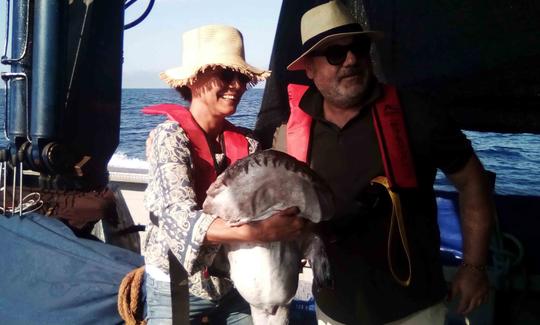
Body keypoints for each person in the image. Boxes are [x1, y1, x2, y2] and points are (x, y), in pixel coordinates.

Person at [270, 1, 495, 324]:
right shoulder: (289, 133)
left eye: (358, 48)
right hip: (333, 311)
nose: (350, 60)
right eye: (335, 53)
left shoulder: (418, 114)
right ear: (309, 68)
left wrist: (474, 267)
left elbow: (472, 182)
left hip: (414, 308)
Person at [142, 24, 308, 324]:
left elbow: (269, 206)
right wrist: (260, 232)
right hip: (176, 284)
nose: (238, 85)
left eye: (242, 77)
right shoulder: (169, 138)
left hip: (235, 286)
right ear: (193, 79)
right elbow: (178, 218)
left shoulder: (249, 144)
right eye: (226, 75)